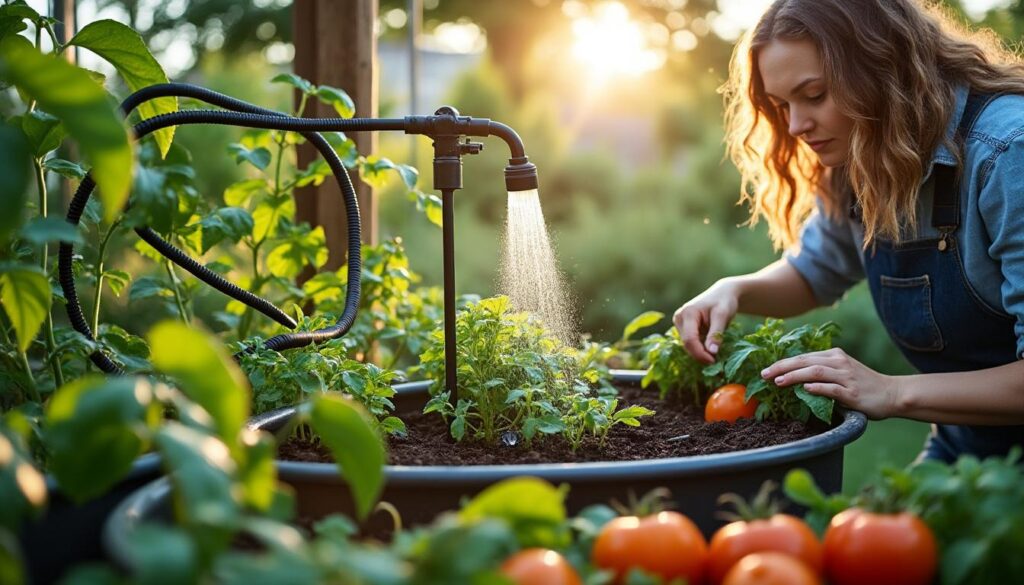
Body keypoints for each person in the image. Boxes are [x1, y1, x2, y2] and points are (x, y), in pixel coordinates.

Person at [674, 0, 1024, 463]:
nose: (796, 125)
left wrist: (889, 391)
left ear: (883, 67)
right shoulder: (867, 152)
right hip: (968, 448)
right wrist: (735, 290)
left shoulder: (1006, 154)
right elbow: (814, 272)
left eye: (814, 95)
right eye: (783, 105)